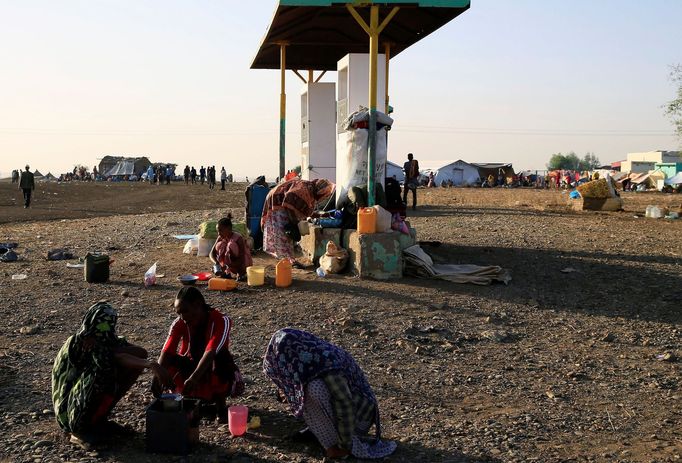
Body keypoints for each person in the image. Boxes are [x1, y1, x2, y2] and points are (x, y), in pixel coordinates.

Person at [52, 302, 173, 448]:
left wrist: (150, 364)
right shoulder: (80, 341)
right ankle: (79, 431)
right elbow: (113, 358)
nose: (104, 330)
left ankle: (98, 420)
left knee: (129, 365)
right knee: (103, 371)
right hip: (68, 411)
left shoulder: (107, 340)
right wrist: (151, 365)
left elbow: (139, 353)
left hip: (82, 400)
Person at [263, 328, 397, 460]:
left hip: (357, 419)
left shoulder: (325, 361)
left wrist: (345, 444)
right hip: (342, 414)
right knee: (303, 389)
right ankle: (323, 433)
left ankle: (335, 445)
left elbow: (345, 403)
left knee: (313, 389)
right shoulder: (306, 357)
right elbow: (290, 379)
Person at [155, 287, 244, 422]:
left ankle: (221, 407)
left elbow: (211, 351)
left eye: (185, 311)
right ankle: (187, 400)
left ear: (198, 305)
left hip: (212, 367)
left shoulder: (221, 320)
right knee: (168, 362)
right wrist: (158, 375)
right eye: (179, 313)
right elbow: (167, 351)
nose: (183, 317)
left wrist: (194, 378)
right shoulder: (179, 323)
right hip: (191, 365)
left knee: (221, 358)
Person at [261, 178, 334, 266]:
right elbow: (289, 200)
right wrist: (294, 222)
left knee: (287, 233)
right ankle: (287, 261)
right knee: (283, 233)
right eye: (324, 195)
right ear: (320, 190)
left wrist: (320, 215)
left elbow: (303, 209)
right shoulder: (304, 189)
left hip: (281, 203)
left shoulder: (310, 190)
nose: (324, 197)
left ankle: (288, 260)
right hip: (278, 203)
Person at [209, 214, 252, 280]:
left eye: (220, 230)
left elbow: (241, 259)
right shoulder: (220, 237)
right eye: (217, 231)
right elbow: (211, 253)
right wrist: (217, 263)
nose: (219, 233)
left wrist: (227, 266)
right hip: (229, 265)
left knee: (231, 245)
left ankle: (241, 273)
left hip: (242, 264)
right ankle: (226, 273)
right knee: (220, 245)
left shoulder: (238, 238)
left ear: (229, 229)